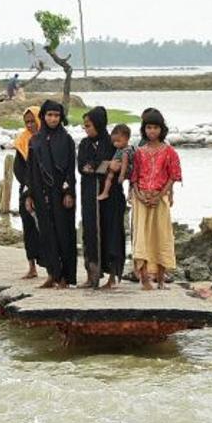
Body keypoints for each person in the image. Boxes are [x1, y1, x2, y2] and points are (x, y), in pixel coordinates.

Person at [26, 99, 77, 288]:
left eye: (56, 115)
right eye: (49, 115)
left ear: (61, 117)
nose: (53, 119)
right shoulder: (35, 140)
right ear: (43, 116)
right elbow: (31, 170)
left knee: (64, 233)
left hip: (60, 192)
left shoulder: (67, 140)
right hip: (41, 192)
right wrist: (30, 195)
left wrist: (69, 192)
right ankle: (52, 274)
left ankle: (65, 277)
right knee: (46, 234)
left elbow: (70, 169)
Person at [130, 107, 183, 290]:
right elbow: (134, 178)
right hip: (142, 200)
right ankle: (144, 278)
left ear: (162, 129)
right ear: (144, 129)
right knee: (142, 237)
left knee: (161, 237)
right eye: (148, 127)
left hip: (160, 200)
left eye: (155, 128)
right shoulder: (139, 152)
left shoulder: (169, 152)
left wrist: (160, 196)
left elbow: (173, 177)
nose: (152, 131)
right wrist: (139, 196)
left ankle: (160, 279)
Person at [78, 107, 127, 288]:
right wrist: (106, 165)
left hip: (111, 198)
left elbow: (121, 163)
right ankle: (92, 275)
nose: (87, 129)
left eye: (89, 125)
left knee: (112, 234)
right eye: (85, 126)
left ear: (98, 124)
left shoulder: (111, 142)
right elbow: (82, 166)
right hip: (90, 196)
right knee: (90, 234)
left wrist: (99, 166)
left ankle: (112, 277)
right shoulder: (84, 144)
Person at [11, 106, 42, 279]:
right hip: (26, 189)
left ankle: (51, 267)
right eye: (27, 122)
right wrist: (29, 185)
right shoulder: (22, 141)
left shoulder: (46, 139)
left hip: (45, 190)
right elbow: (18, 168)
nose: (30, 125)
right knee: (29, 228)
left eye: (33, 121)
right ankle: (31, 267)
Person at [98, 124, 134, 201]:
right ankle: (105, 192)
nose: (115, 144)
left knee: (132, 181)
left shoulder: (126, 150)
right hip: (118, 168)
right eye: (114, 142)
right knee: (109, 176)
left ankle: (130, 195)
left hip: (127, 170)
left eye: (118, 141)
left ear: (127, 139)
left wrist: (121, 175)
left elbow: (125, 163)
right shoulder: (119, 148)